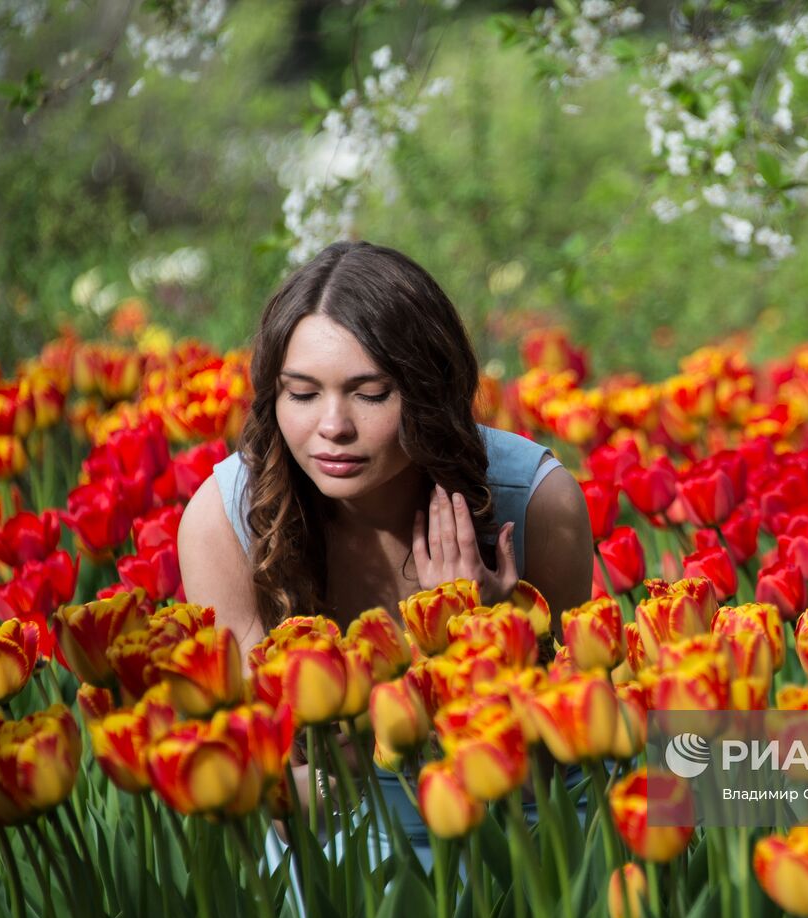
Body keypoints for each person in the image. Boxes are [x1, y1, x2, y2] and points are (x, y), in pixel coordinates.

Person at [176, 240, 594, 857]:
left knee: (738, 774)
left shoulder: (534, 504)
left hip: (518, 825)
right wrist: (427, 657)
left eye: (370, 394)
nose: (332, 427)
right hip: (335, 831)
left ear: (430, 391)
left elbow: (559, 760)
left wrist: (495, 643)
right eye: (301, 393)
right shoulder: (224, 521)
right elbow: (271, 801)